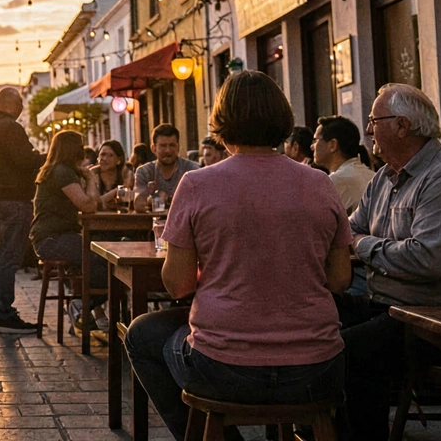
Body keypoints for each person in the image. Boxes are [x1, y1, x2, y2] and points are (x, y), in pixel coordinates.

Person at [125, 71, 353, 437]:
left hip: (224, 369)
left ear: (221, 122)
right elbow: (341, 279)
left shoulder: (198, 184)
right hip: (317, 370)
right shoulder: (320, 183)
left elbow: (179, 285)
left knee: (141, 335)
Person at [339, 83, 441, 440]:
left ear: (402, 125)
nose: (368, 130)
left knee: (350, 351)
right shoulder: (384, 176)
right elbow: (346, 231)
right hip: (395, 306)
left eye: (374, 120)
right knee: (314, 321)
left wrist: (363, 244)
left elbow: (428, 260)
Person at [0, 87, 46, 335]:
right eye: (21, 105)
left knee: (3, 255)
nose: (21, 110)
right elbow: (26, 160)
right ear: (13, 104)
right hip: (14, 198)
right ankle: (5, 314)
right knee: (9, 258)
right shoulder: (10, 127)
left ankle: (3, 310)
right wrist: (47, 157)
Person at [31, 131, 111, 337]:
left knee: (103, 252)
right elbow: (88, 206)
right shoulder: (62, 172)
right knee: (107, 258)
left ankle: (81, 308)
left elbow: (89, 204)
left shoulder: (57, 170)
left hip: (53, 237)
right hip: (52, 239)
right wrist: (91, 178)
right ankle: (79, 305)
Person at [311, 116, 372, 213]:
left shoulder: (335, 182)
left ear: (332, 145)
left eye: (315, 140)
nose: (312, 146)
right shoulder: (373, 175)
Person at [132, 124, 199, 211]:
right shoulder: (144, 171)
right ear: (153, 148)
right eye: (163, 146)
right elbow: (138, 204)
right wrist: (157, 198)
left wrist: (166, 199)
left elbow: (199, 202)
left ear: (178, 147)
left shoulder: (192, 170)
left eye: (172, 145)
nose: (168, 150)